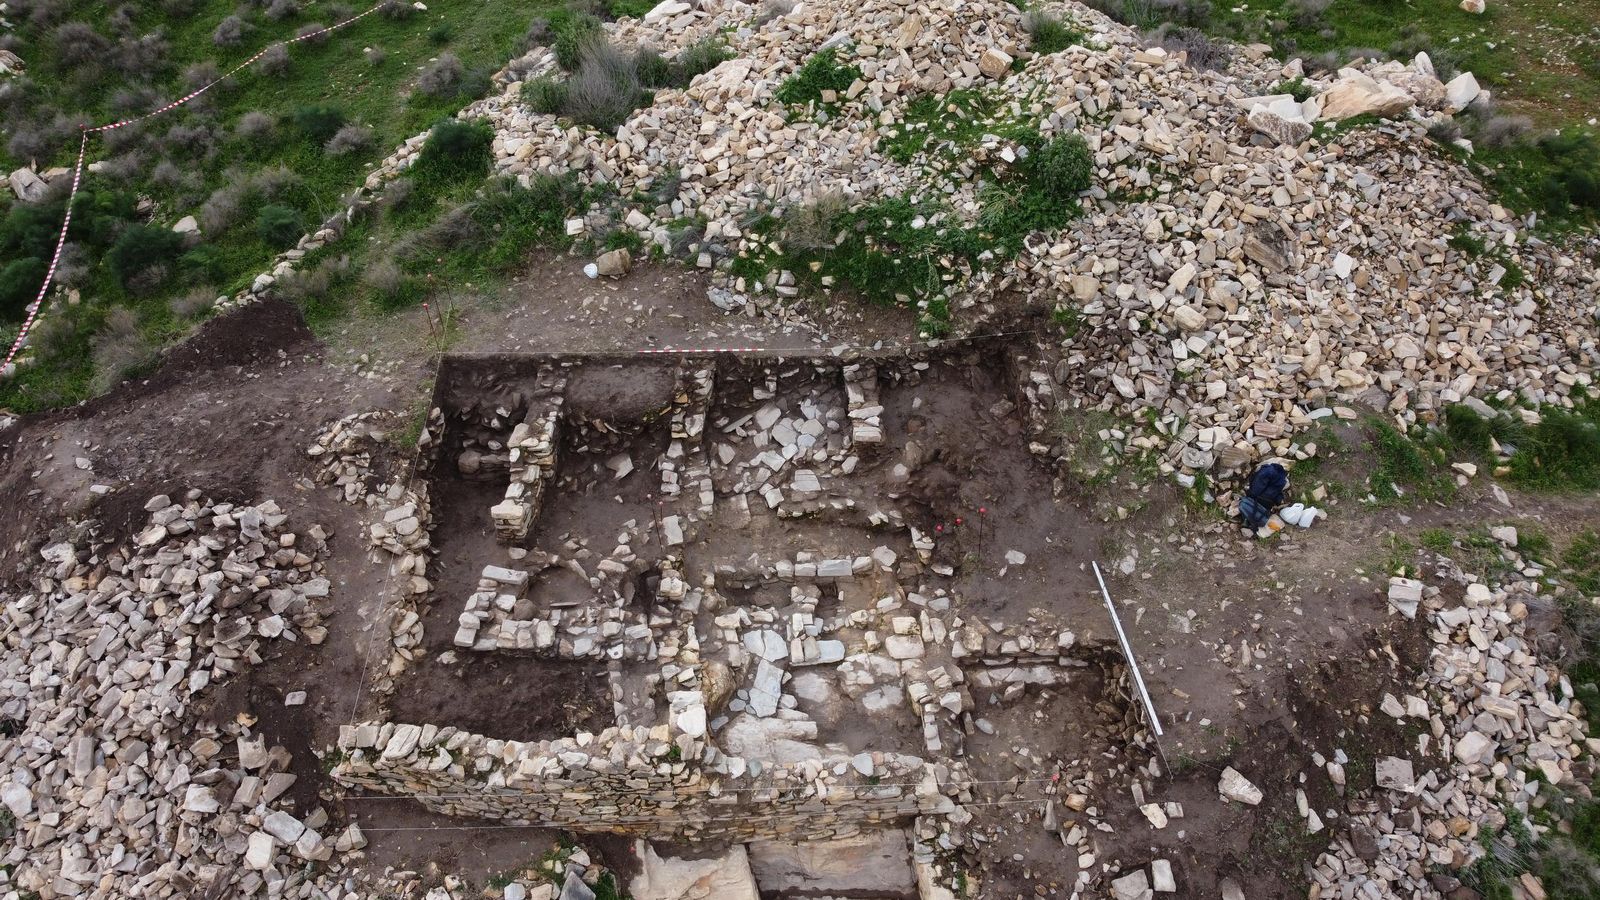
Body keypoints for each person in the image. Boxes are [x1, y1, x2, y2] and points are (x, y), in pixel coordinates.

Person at [1238, 462, 1288, 530]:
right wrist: (1279, 501)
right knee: (1255, 509)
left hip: (1257, 499)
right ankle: (1250, 521)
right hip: (1267, 504)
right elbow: (1277, 493)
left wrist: (1250, 493)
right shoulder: (1282, 479)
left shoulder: (1268, 471)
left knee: (1248, 504)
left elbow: (1257, 487)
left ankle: (1247, 520)